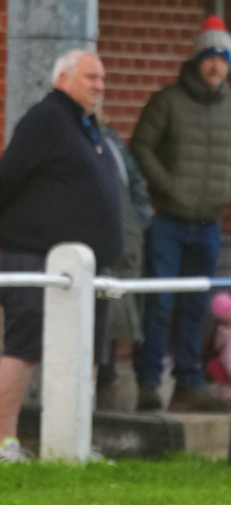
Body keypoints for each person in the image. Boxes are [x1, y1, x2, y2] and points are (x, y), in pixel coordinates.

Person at [0, 51, 123, 464]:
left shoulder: (87, 126)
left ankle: (74, 443)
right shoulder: (46, 119)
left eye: (102, 78)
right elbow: (4, 179)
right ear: (63, 78)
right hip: (35, 260)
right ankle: (1, 443)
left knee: (88, 354)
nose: (100, 85)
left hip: (89, 270)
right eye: (91, 77)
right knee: (23, 347)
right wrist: (22, 224)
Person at [131, 16, 231, 412]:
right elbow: (141, 148)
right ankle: (148, 384)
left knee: (195, 305)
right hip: (168, 221)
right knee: (158, 302)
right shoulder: (167, 101)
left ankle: (189, 384)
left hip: (210, 224)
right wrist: (167, 187)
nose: (216, 65)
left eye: (223, 57)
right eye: (210, 55)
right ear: (197, 59)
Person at [95, 123, 152, 411]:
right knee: (97, 319)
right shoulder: (74, 137)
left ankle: (106, 392)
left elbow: (135, 185)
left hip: (125, 243)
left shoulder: (111, 139)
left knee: (117, 318)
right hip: (93, 244)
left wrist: (138, 222)